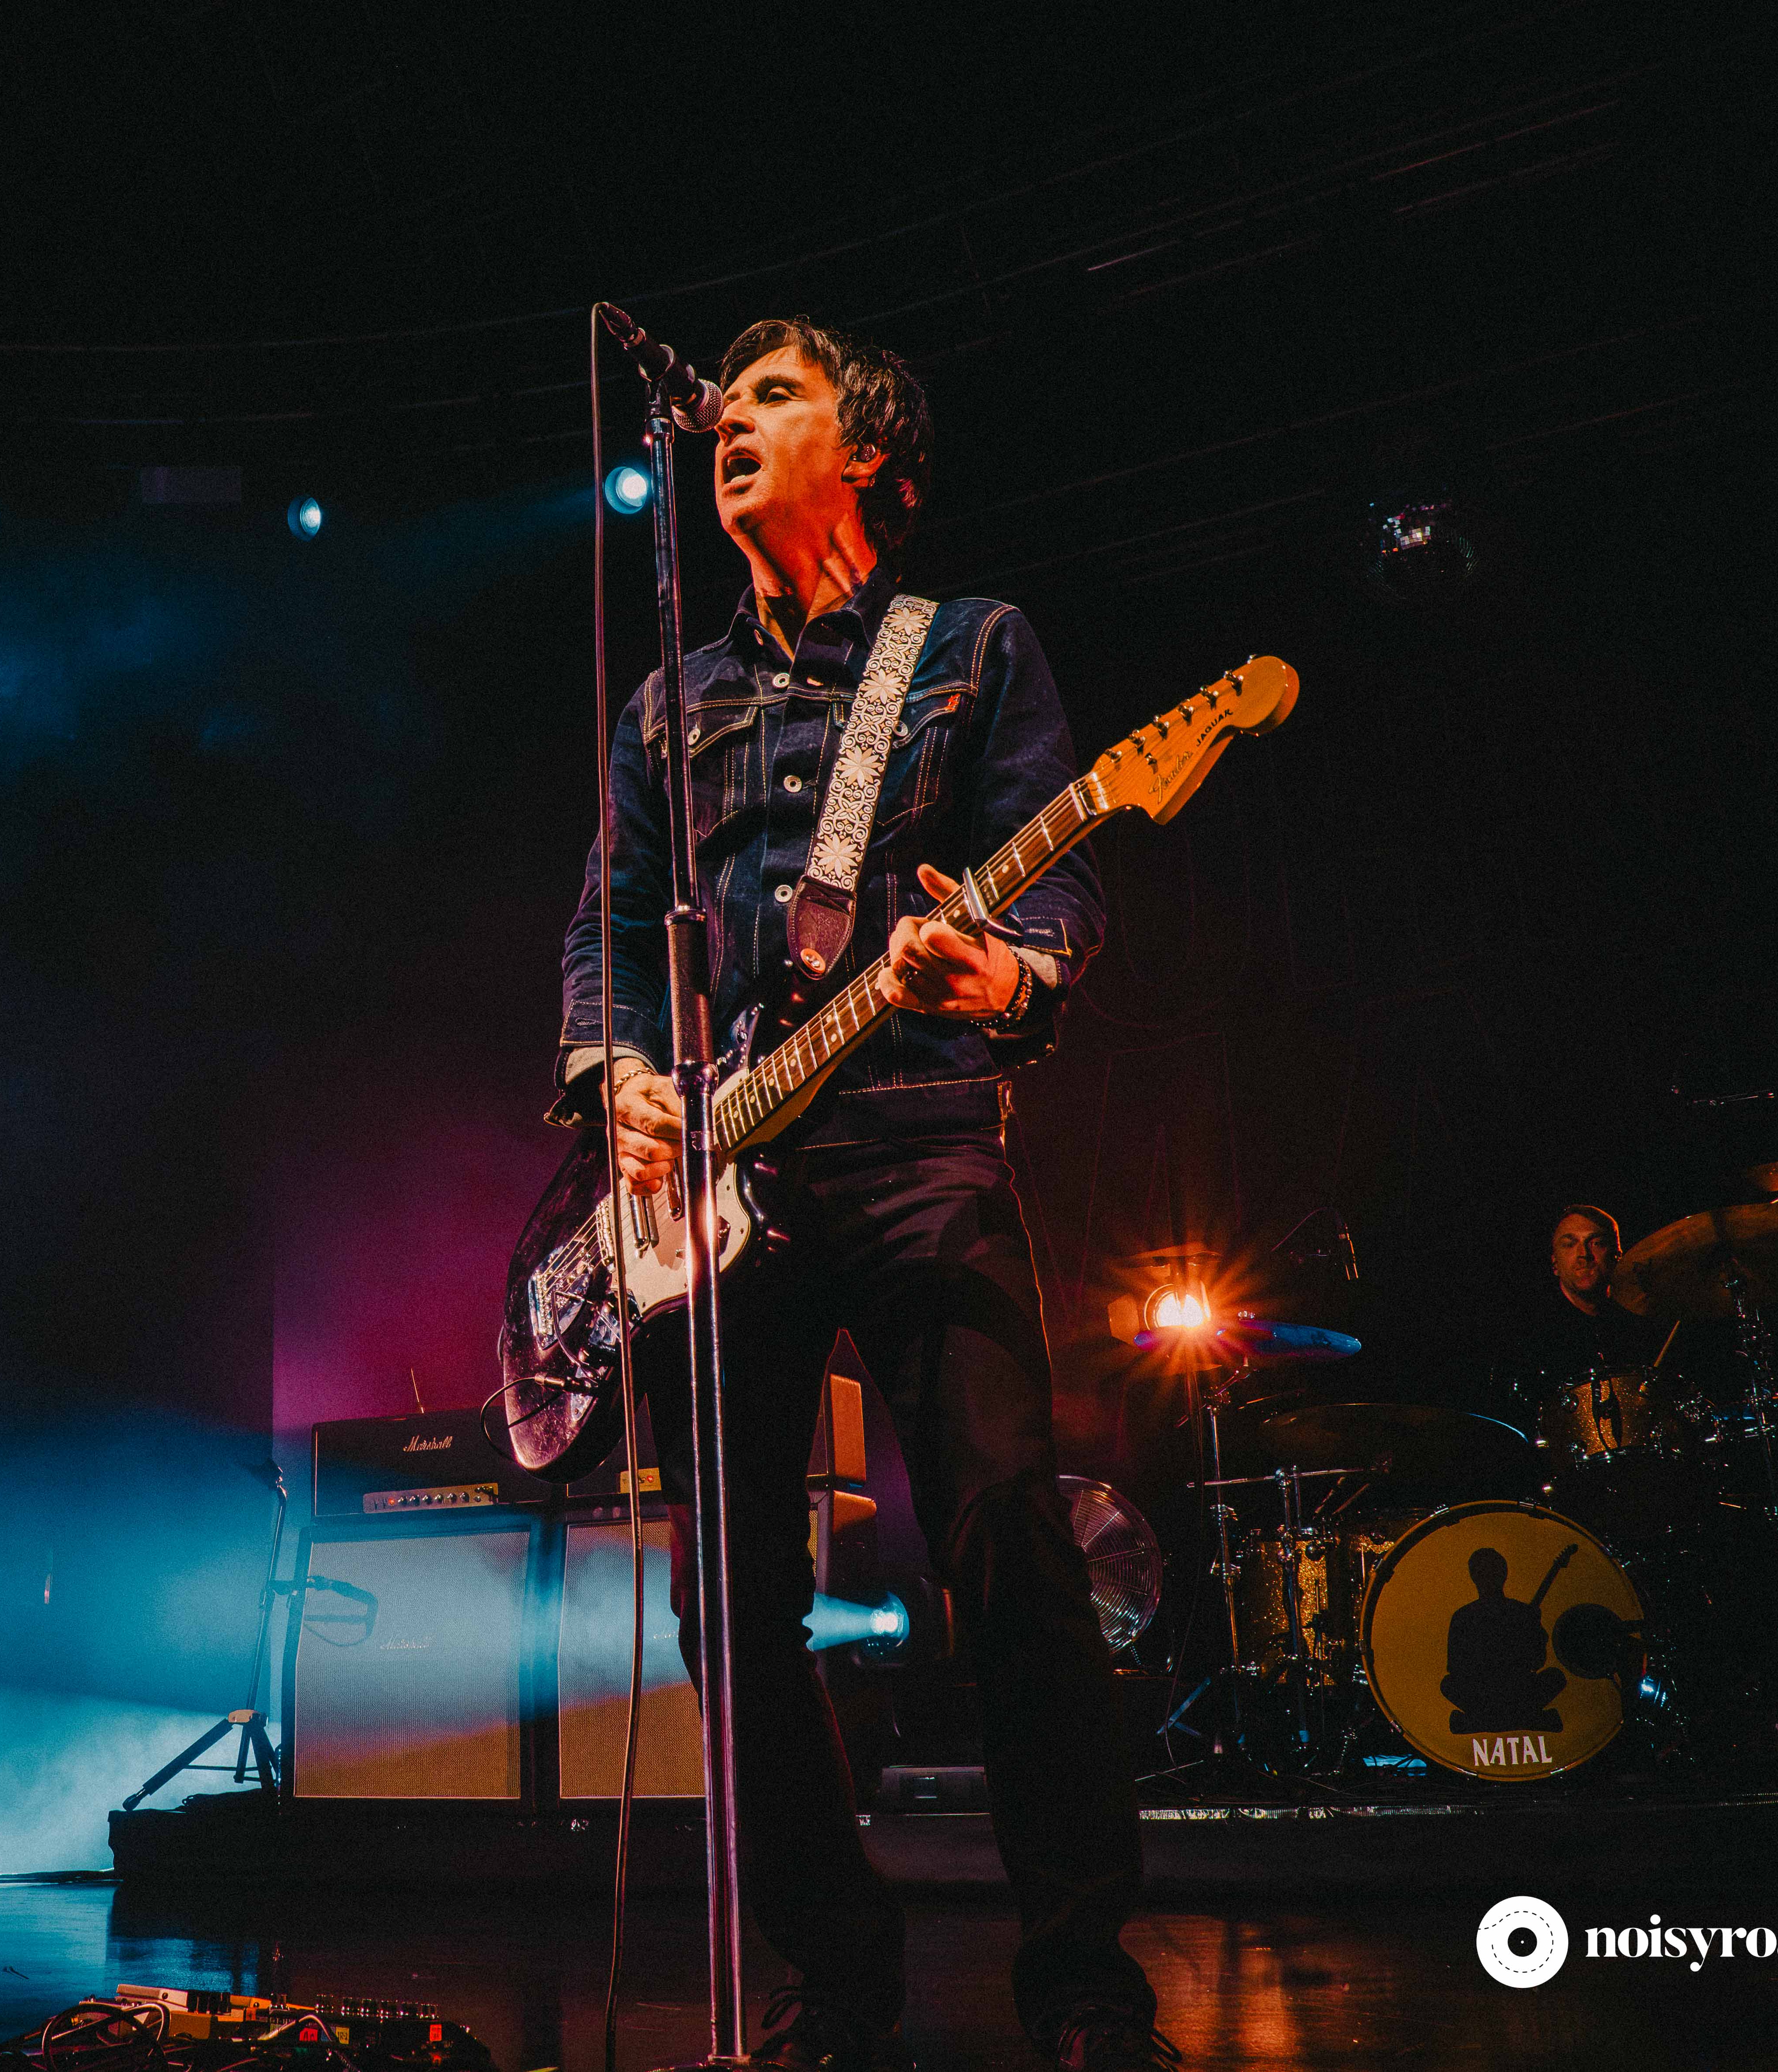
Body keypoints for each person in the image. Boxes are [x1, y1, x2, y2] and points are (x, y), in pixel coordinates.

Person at [556, 317, 1167, 2072]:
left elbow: (1056, 879)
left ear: (874, 454)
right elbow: (603, 935)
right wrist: (619, 1078)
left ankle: (1079, 1985)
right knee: (721, 1606)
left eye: (771, 398)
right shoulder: (664, 702)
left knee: (1009, 1547)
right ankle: (831, 1984)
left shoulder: (969, 647)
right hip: (723, 1191)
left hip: (913, 1141)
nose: (725, 424)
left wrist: (1010, 972)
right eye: (721, 403)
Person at [1527, 1205, 1672, 1376]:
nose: (1584, 1254)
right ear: (1555, 1264)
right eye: (1569, 1244)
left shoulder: (1644, 1329)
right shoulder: (1534, 1336)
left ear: (1617, 1257)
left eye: (1596, 1243)